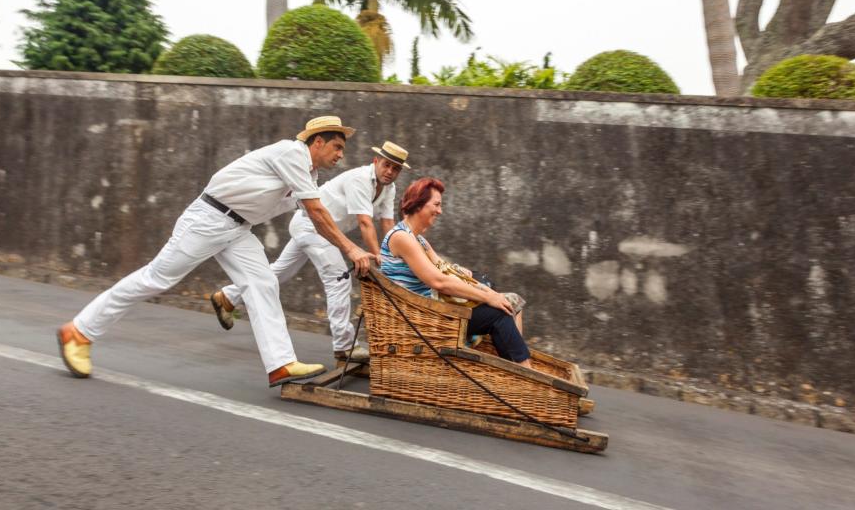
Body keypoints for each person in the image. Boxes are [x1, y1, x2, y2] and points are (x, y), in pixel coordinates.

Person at [56, 116, 377, 387]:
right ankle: (79, 331)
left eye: (343, 150)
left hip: (237, 229)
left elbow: (312, 211)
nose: (340, 156)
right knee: (156, 279)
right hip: (208, 219)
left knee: (263, 283)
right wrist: (351, 248)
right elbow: (317, 213)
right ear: (316, 142)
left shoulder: (308, 175)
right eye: (337, 147)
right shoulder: (292, 154)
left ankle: (281, 363)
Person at [209, 141, 410, 362]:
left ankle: (227, 297)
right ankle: (344, 347)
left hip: (318, 230)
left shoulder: (389, 188)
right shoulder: (360, 179)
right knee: (339, 280)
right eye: (386, 165)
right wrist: (379, 257)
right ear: (376, 161)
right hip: (311, 227)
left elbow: (388, 222)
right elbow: (365, 222)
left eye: (395, 168)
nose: (390, 172)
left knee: (279, 272)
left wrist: (392, 256)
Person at [380, 177, 531, 368]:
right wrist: (487, 298)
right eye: (436, 204)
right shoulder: (401, 237)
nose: (440, 211)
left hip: (430, 307)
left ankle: (515, 370)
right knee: (499, 313)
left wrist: (490, 293)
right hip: (420, 315)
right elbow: (439, 282)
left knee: (510, 302)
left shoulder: (418, 240)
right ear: (418, 204)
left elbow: (449, 272)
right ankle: (525, 374)